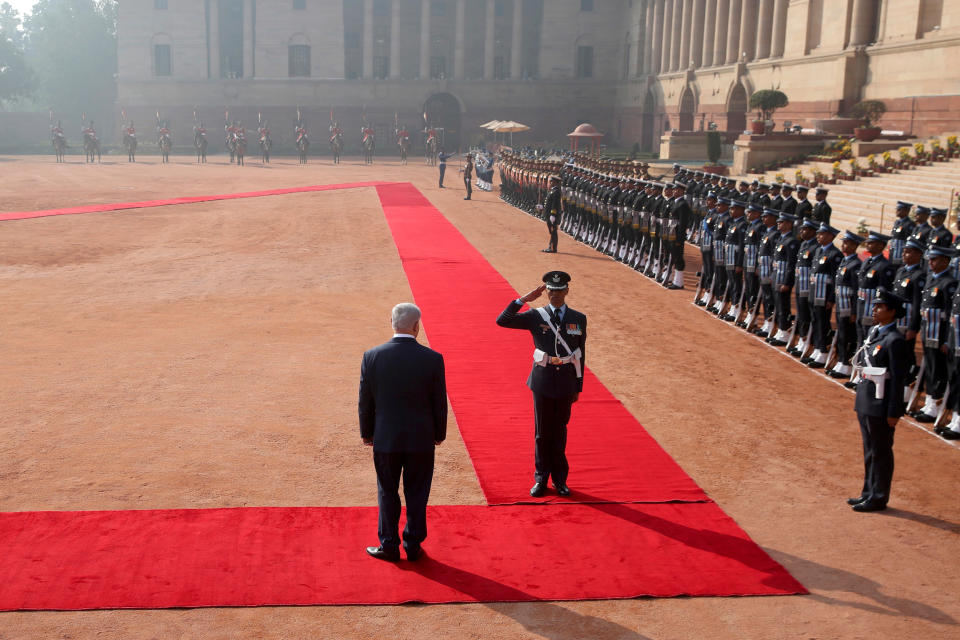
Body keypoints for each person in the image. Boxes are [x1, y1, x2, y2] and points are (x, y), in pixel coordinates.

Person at [358, 303, 448, 562]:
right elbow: (438, 402)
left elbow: (366, 400)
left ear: (392, 322)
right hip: (421, 440)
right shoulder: (432, 358)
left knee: (387, 490)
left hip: (385, 438)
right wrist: (438, 434)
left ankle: (388, 545)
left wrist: (367, 433)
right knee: (417, 492)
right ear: (417, 326)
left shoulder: (372, 356)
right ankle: (413, 545)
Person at [496, 271, 587, 498]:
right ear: (545, 291)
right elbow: (502, 321)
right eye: (551, 290)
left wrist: (578, 385)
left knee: (560, 431)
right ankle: (541, 478)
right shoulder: (536, 315)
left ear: (567, 291)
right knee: (542, 433)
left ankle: (560, 480)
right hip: (543, 380)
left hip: (566, 381)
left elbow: (580, 353)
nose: (554, 294)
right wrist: (523, 300)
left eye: (559, 290)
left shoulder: (578, 318)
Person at [849, 287, 911, 512]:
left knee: (881, 451)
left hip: (882, 404)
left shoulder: (895, 340)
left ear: (892, 311)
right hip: (867, 399)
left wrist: (894, 411)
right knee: (869, 449)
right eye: (874, 306)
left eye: (880, 307)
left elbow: (898, 379)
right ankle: (868, 492)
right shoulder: (875, 332)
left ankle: (879, 496)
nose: (874, 309)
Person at [912, 246, 958, 422]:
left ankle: (935, 404)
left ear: (946, 261)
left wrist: (947, 340)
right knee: (930, 367)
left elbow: (949, 315)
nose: (930, 262)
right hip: (928, 331)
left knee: (938, 370)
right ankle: (930, 402)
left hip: (940, 334)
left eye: (935, 259)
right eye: (930, 259)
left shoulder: (949, 283)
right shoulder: (931, 278)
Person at [537, 175, 562, 253]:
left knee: (553, 231)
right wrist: (542, 207)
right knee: (552, 232)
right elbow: (548, 202)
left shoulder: (556, 192)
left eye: (551, 181)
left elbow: (555, 204)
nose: (550, 183)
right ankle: (551, 246)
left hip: (552, 215)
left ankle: (553, 248)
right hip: (549, 214)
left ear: (555, 182)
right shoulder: (552, 190)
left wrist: (553, 215)